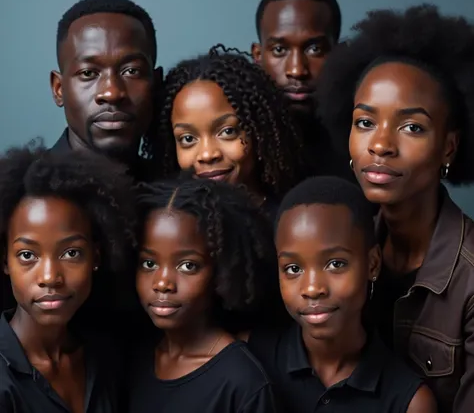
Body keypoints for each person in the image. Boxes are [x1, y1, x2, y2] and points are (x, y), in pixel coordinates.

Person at [316, 4, 474, 413]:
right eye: (365, 122)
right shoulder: (336, 241)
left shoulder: (470, 280)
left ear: (449, 147)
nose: (381, 145)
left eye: (412, 127)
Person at [246, 176, 436, 413]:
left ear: (373, 264)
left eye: (336, 264)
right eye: (293, 269)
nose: (313, 288)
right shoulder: (251, 359)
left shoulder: (410, 402)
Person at [0, 143, 135, 412]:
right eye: (27, 255)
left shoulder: (107, 358)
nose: (50, 277)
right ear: (5, 261)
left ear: (96, 257)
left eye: (71, 253)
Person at [127, 178, 279, 412]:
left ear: (222, 272)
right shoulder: (133, 359)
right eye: (148, 263)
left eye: (188, 266)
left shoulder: (241, 382)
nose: (162, 283)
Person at [146, 45, 308, 219]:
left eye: (227, 131)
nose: (207, 154)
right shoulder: (168, 226)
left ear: (259, 132)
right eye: (187, 139)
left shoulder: (290, 221)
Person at [50, 0, 163, 181]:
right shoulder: (17, 197)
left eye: (131, 71)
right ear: (59, 89)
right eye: (88, 73)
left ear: (156, 85)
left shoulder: (179, 195)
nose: (111, 93)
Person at [251, 0, 350, 180]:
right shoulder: (236, 147)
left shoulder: (365, 140)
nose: (297, 70)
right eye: (279, 50)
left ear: (339, 54)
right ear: (258, 56)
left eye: (314, 49)